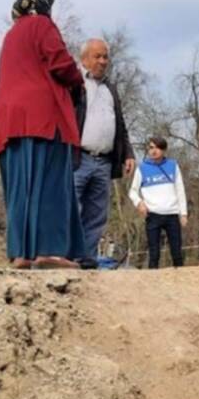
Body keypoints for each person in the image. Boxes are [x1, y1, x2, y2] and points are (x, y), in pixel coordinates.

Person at [0, 0, 85, 269]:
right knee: (50, 184)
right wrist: (77, 80)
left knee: (21, 187)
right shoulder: (42, 26)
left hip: (10, 121)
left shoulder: (11, 35)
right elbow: (60, 63)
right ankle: (50, 252)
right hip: (44, 117)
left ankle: (21, 254)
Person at [73, 38, 135, 269]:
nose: (102, 61)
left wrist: (127, 152)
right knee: (73, 209)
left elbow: (120, 124)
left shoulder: (111, 89)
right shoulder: (75, 84)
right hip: (78, 158)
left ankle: (87, 260)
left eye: (105, 56)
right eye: (97, 56)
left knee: (97, 214)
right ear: (84, 59)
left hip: (104, 162)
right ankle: (70, 258)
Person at [127, 136, 188, 268]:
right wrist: (139, 203)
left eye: (158, 148)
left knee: (176, 252)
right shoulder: (142, 168)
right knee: (154, 253)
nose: (154, 151)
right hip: (153, 215)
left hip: (172, 214)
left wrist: (183, 214)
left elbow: (180, 190)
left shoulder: (173, 165)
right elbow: (132, 191)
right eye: (151, 148)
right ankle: (152, 281)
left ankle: (182, 278)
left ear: (164, 150)